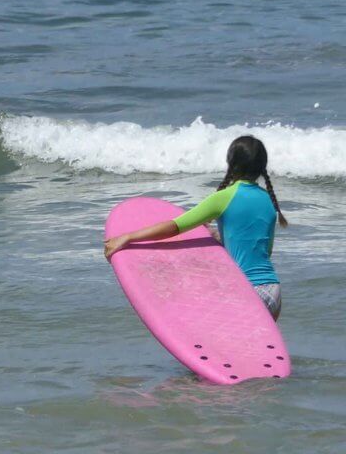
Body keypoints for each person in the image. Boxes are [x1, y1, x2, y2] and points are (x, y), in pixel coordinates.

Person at [104, 135, 287, 321]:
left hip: (248, 291)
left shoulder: (224, 197)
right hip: (273, 291)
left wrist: (128, 237)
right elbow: (261, 250)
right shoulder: (268, 200)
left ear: (231, 163)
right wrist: (218, 235)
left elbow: (175, 227)